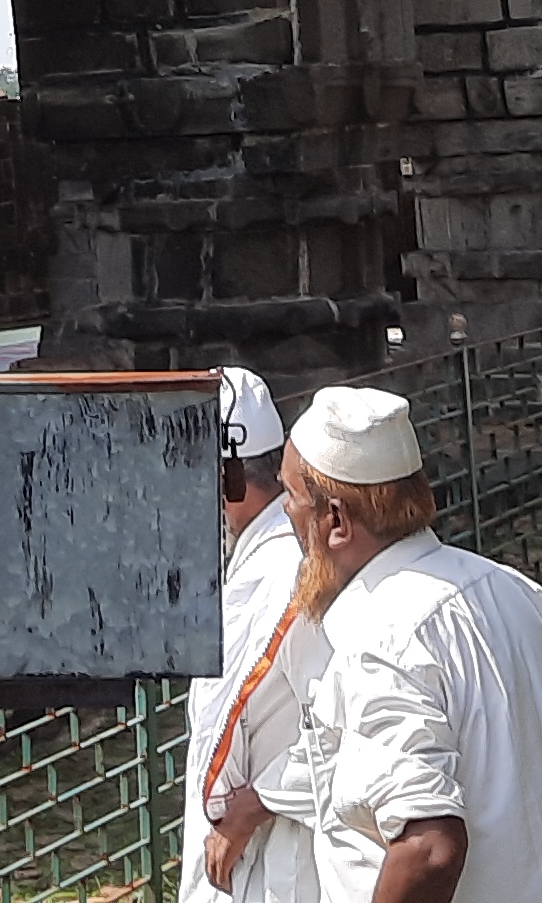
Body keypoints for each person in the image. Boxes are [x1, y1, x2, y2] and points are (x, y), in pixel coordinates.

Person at [214, 387, 542, 903]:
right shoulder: (515, 590)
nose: (285, 513)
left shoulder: (381, 635)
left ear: (336, 521)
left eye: (291, 496)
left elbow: (428, 847)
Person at [184, 368, 323, 903]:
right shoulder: (261, 558)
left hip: (274, 858)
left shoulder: (282, 570)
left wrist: (250, 805)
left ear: (229, 474)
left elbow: (338, 721)